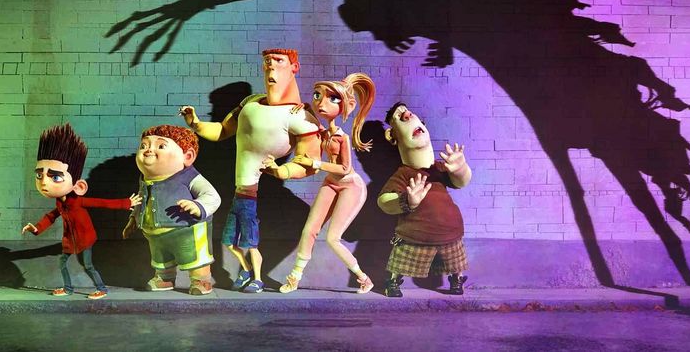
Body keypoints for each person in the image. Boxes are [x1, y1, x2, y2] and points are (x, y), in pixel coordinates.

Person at [179, 48, 321, 293]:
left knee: (250, 242)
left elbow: (309, 163)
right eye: (267, 60)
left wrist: (281, 170)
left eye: (279, 60)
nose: (271, 65)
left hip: (252, 194)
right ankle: (247, 272)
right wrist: (195, 123)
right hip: (240, 193)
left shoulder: (301, 117)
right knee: (231, 241)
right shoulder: (250, 102)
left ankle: (256, 277)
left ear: (294, 67)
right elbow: (222, 130)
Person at [265, 73, 376, 294]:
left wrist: (315, 163)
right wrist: (305, 108)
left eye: (332, 98)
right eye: (317, 96)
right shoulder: (323, 132)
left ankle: (364, 279)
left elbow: (344, 168)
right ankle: (294, 277)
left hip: (351, 186)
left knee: (333, 238)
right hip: (330, 183)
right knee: (309, 230)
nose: (322, 103)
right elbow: (312, 126)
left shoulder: (342, 138)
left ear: (346, 105)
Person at [22, 123, 142, 299]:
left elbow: (102, 203)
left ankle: (102, 289)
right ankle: (68, 288)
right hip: (70, 241)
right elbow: (51, 216)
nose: (44, 182)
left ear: (79, 186)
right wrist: (36, 228)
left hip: (85, 239)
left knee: (88, 266)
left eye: (55, 177)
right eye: (39, 175)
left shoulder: (78, 201)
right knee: (62, 263)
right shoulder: (60, 203)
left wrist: (126, 203)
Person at [378, 103, 472, 297]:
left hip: (450, 231)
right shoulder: (403, 174)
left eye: (409, 113)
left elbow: (461, 182)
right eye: (399, 117)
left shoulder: (440, 168)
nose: (407, 115)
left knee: (455, 262)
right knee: (401, 261)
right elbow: (383, 201)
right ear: (393, 137)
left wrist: (461, 168)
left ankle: (457, 279)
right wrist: (406, 200)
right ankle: (393, 282)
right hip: (415, 234)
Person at [122, 124, 221, 295]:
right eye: (144, 146)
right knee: (161, 260)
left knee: (195, 258)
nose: (148, 150)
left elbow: (212, 196)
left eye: (160, 146)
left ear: (187, 156)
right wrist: (134, 218)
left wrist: (198, 206)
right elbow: (141, 199)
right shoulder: (144, 180)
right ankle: (165, 278)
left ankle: (201, 280)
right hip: (154, 232)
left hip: (187, 230)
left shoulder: (190, 176)